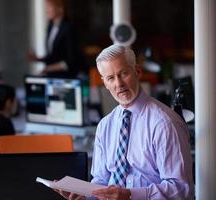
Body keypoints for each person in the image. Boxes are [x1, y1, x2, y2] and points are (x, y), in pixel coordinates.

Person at [57, 44, 194, 200]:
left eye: (123, 74)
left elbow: (181, 190)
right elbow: (101, 181)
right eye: (110, 78)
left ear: (137, 72)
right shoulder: (105, 125)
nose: (119, 84)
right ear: (105, 83)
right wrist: (86, 197)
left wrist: (129, 195)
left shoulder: (164, 123)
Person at [29, 0, 82, 78]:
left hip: (66, 77)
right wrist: (37, 59)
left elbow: (71, 61)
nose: (47, 10)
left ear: (60, 9)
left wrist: (47, 69)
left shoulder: (69, 29)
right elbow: (53, 56)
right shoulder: (50, 27)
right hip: (52, 76)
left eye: (49, 7)